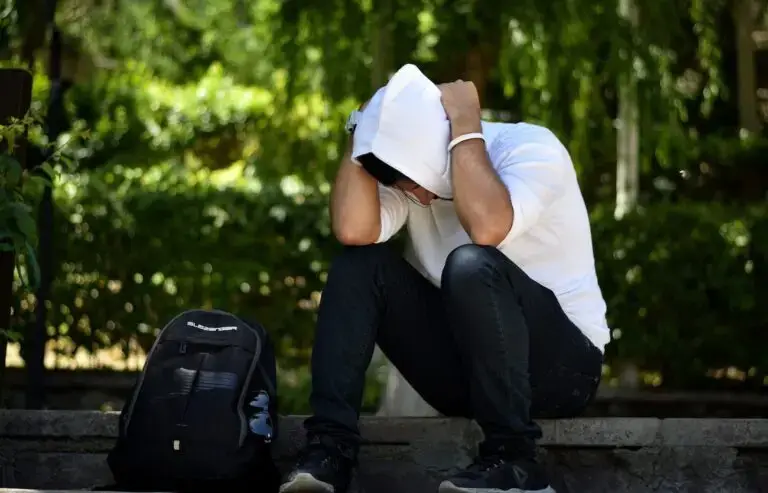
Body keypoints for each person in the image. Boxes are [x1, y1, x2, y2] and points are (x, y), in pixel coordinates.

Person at [279, 64, 609, 493]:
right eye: (404, 182)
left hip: (562, 370)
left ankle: (516, 464)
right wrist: (362, 133)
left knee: (471, 264)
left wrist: (465, 126)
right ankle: (330, 453)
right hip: (467, 375)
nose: (415, 194)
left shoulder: (532, 148)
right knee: (358, 264)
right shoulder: (412, 178)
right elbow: (353, 229)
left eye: (414, 180)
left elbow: (490, 228)